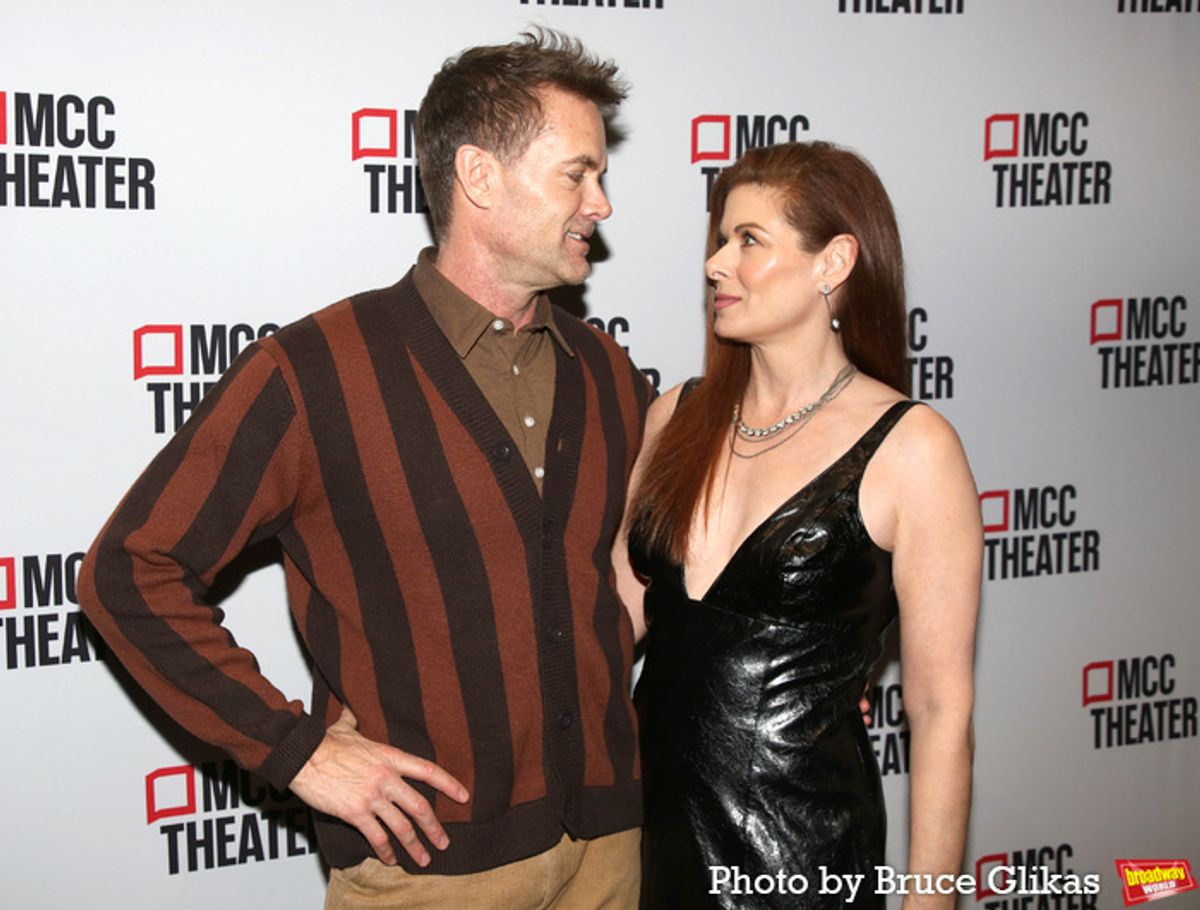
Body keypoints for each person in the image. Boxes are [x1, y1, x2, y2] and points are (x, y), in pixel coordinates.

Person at [79, 29, 651, 910]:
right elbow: (130, 569)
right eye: (577, 173)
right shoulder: (314, 372)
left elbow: (619, 585)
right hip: (426, 871)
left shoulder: (608, 375)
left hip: (611, 851)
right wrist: (296, 749)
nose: (601, 203)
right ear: (480, 177)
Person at [614, 141, 981, 909]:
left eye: (749, 240)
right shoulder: (674, 418)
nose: (717, 264)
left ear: (833, 262)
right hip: (646, 842)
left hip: (801, 859)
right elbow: (607, 624)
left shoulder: (912, 449)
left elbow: (942, 711)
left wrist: (931, 902)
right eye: (719, 240)